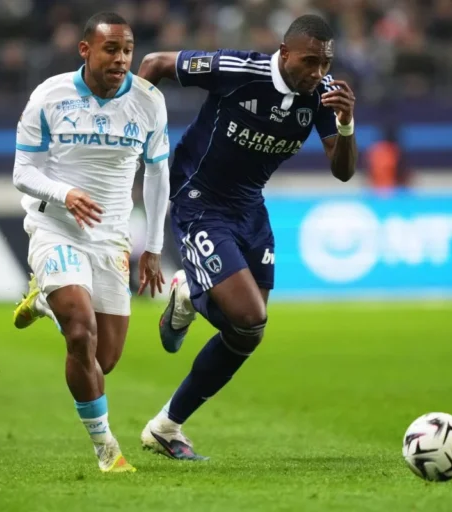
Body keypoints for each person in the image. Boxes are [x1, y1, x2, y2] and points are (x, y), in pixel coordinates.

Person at [135, 14, 357, 460]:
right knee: (250, 318)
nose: (317, 72)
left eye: (325, 62)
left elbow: (344, 170)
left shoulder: (322, 95)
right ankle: (191, 295)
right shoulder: (239, 70)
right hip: (199, 199)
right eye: (309, 61)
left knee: (247, 334)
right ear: (285, 51)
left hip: (250, 208)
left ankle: (165, 427)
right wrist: (136, 131)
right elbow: (156, 63)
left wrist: (347, 124)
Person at [11, 11, 171, 473]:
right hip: (55, 226)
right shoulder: (50, 95)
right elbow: (22, 172)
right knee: (80, 332)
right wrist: (65, 193)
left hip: (112, 238)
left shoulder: (148, 102)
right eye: (111, 49)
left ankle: (43, 302)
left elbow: (158, 175)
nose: (121, 59)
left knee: (104, 358)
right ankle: (107, 450)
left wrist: (154, 247)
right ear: (85, 49)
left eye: (127, 50)